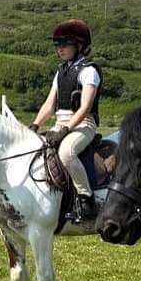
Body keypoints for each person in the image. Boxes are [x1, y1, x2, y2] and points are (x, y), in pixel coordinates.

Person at [28, 19, 102, 222]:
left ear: (79, 46)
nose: (59, 50)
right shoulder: (61, 71)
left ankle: (86, 199)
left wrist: (66, 129)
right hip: (61, 123)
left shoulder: (89, 71)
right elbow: (49, 105)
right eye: (57, 45)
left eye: (63, 45)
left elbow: (85, 107)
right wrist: (35, 125)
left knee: (66, 153)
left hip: (83, 124)